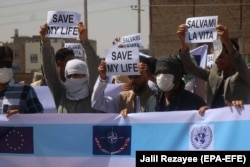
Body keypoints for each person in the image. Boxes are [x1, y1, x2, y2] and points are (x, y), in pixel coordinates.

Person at [177, 24, 250, 114]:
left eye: (221, 57)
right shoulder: (213, 74)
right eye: (215, 56)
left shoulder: (243, 74)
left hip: (236, 123)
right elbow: (190, 67)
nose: (216, 60)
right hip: (216, 122)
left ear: (231, 56)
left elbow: (239, 62)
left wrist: (226, 40)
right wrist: (183, 43)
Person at [39, 22, 99, 113]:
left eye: (76, 75)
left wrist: (85, 42)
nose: (72, 78)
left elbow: (93, 67)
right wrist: (45, 42)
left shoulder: (92, 94)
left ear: (84, 75)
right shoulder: (61, 94)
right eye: (69, 76)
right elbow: (50, 72)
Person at [0, 46, 43, 117]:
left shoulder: (25, 90)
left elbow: (40, 119)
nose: (4, 68)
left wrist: (22, 118)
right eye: (1, 65)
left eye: (7, 64)